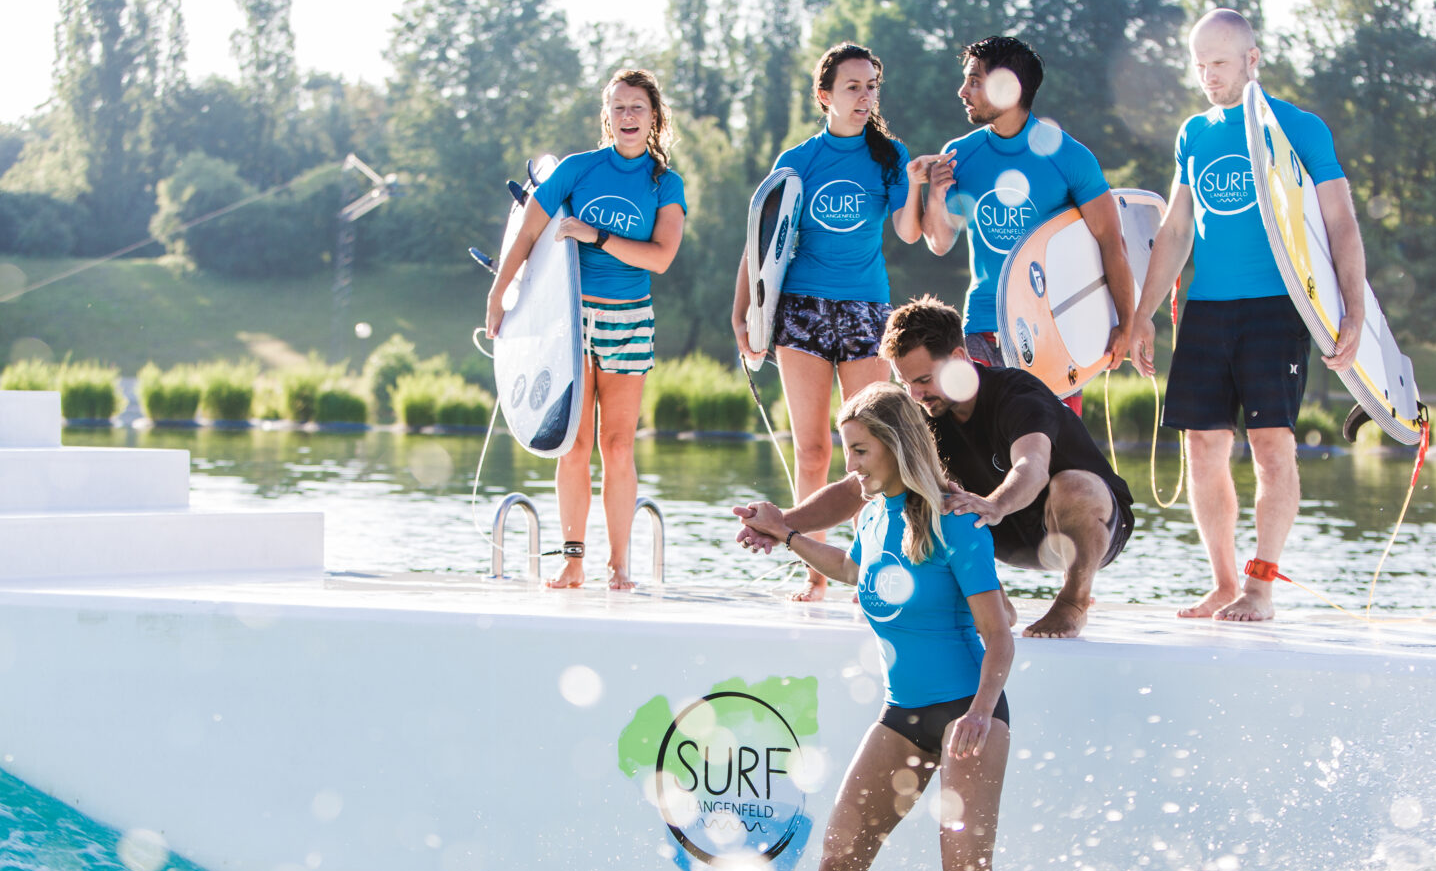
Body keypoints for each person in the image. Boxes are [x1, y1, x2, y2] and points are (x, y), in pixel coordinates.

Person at [738, 383, 1044, 871]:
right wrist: (790, 536)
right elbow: (856, 571)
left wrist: (981, 712)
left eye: (860, 452)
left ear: (897, 447)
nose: (851, 468)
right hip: (902, 714)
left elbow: (999, 634)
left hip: (967, 712)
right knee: (837, 865)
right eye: (846, 451)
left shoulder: (958, 522)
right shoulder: (875, 512)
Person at [1130, 10, 1364, 622]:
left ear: (1252, 60)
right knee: (1203, 447)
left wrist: (1354, 309)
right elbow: (1176, 228)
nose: (1208, 77)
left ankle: (1261, 585)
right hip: (1206, 309)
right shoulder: (1195, 133)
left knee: (1270, 446)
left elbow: (1340, 222)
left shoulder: (1300, 129)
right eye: (1200, 65)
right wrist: (1142, 314)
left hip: (1277, 307)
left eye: (1220, 64)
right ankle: (1224, 581)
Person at [736, 296, 1136, 639]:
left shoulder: (1018, 394)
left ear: (959, 358)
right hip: (1004, 534)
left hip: (1084, 525)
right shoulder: (921, 413)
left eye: (924, 380)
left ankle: (1073, 600)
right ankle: (995, 602)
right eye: (906, 384)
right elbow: (857, 486)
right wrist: (781, 522)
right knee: (922, 489)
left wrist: (994, 504)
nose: (916, 395)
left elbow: (1031, 467)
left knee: (1076, 486)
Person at [731, 43, 926, 602]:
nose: (864, 97)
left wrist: (915, 184)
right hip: (803, 310)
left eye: (871, 87)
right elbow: (759, 244)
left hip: (866, 309)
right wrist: (741, 311)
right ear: (825, 95)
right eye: (852, 87)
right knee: (813, 449)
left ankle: (879, 560)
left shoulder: (890, 157)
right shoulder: (798, 160)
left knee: (875, 447)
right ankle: (813, 568)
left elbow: (910, 233)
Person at [484, 68, 686, 590]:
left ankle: (618, 566)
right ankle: (573, 559)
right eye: (617, 107)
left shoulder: (666, 184)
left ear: (654, 118)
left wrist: (595, 236)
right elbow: (527, 234)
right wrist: (498, 295)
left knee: (617, 447)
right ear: (607, 116)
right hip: (569, 323)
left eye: (637, 108)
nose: (627, 117)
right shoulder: (577, 170)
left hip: (628, 320)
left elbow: (661, 258)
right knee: (574, 445)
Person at [916, 35, 1134, 414]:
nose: (962, 91)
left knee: (1056, 454)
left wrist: (1125, 324)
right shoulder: (961, 154)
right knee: (980, 452)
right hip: (983, 322)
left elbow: (1111, 242)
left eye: (974, 81)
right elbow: (939, 243)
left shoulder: (1069, 158)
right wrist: (935, 196)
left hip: (1053, 330)